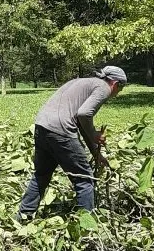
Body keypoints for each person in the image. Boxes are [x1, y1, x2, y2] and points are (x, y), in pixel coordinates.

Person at [17, 65, 127, 217]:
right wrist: (95, 135)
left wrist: (96, 153)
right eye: (120, 89)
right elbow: (84, 114)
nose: (117, 94)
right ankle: (85, 226)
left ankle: (24, 216)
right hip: (60, 129)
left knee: (41, 174)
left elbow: (82, 122)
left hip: (42, 126)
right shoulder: (103, 88)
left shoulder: (83, 82)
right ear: (115, 84)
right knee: (84, 179)